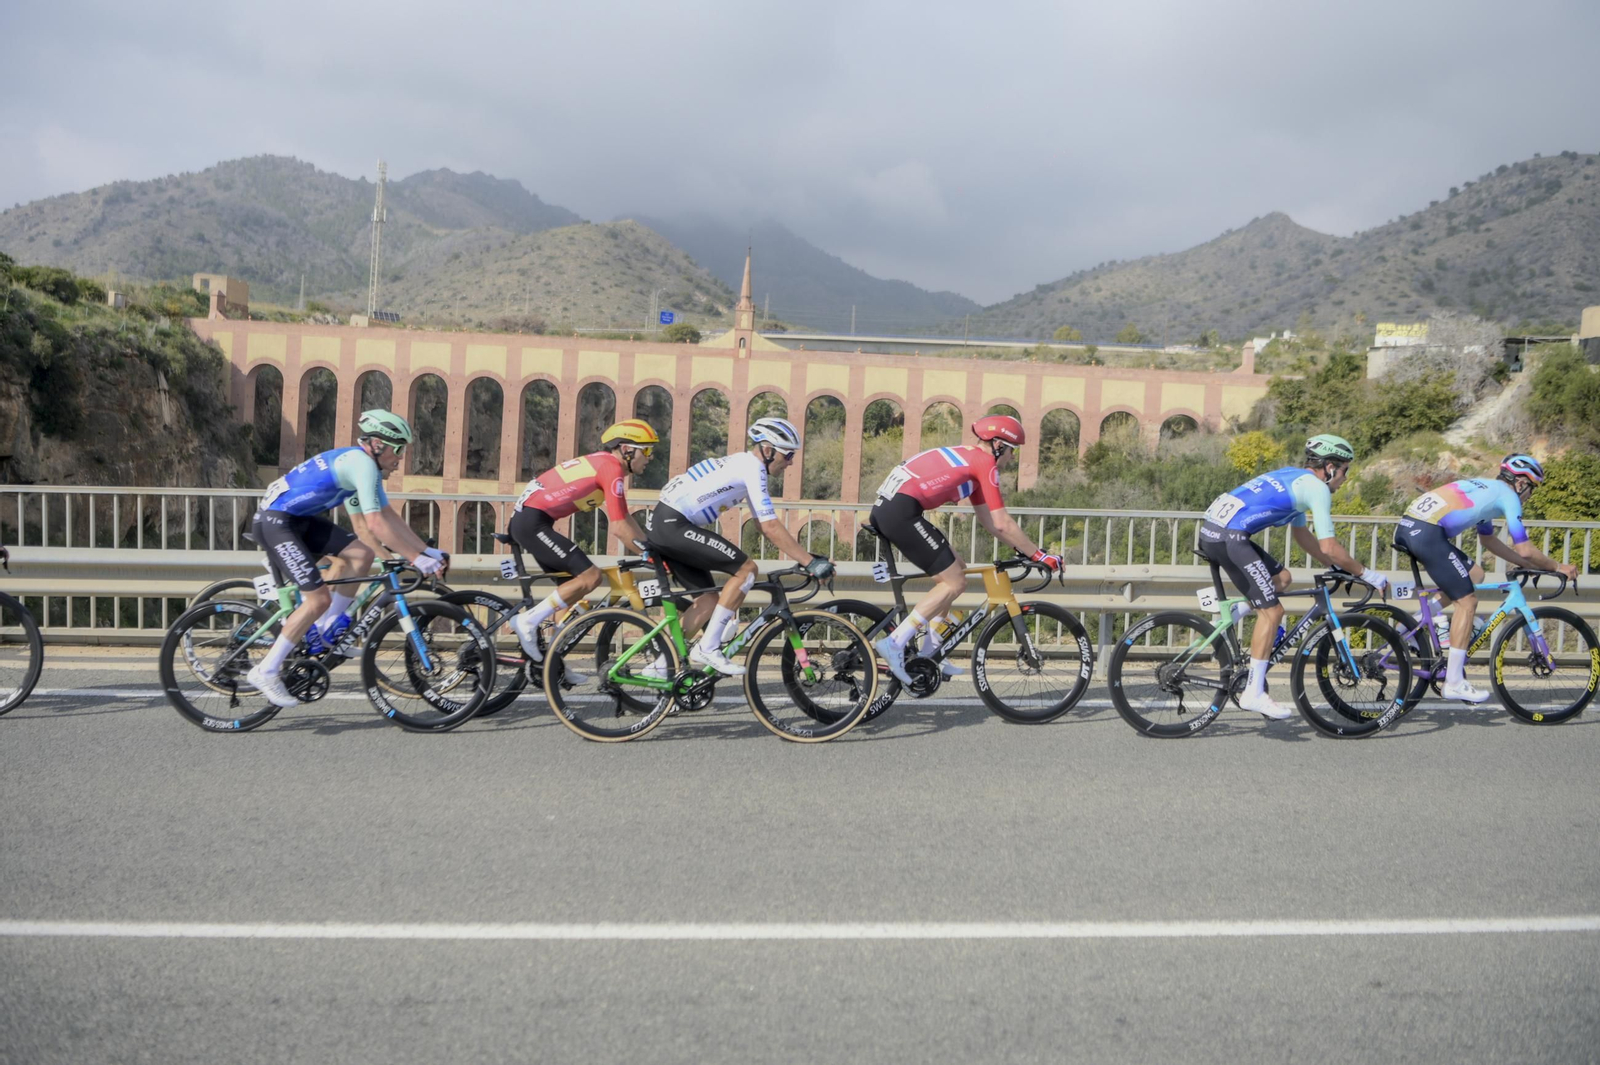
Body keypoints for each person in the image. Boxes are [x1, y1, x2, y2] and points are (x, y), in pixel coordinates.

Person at [246, 410, 446, 707]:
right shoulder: (362, 464)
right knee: (318, 600)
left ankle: (327, 632)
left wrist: (426, 552)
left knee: (361, 554)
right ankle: (266, 670)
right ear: (377, 445)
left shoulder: (366, 465)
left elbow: (388, 515)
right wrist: (416, 558)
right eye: (398, 449)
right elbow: (374, 524)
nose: (401, 457)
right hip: (276, 522)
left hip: (298, 520)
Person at [1197, 433, 1387, 720]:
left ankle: (1234, 614)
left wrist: (1333, 565)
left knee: (1283, 579)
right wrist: (1367, 574)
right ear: (1330, 467)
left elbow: (1302, 535)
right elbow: (1329, 545)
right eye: (1345, 470)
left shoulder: (1294, 476)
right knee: (1273, 612)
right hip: (1230, 538)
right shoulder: (1317, 489)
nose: (1345, 478)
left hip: (1217, 533)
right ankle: (1253, 693)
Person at [866, 414, 1062, 686]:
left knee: (957, 569)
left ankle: (930, 651)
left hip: (895, 510)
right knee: (955, 582)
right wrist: (1040, 556)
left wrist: (1022, 549)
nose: (1012, 458)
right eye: (1012, 450)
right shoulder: (984, 463)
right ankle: (895, 642)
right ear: (998, 445)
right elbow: (1003, 522)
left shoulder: (972, 461)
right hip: (900, 512)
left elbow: (990, 522)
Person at [646, 417, 834, 676]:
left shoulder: (744, 464)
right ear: (767, 450)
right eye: (788, 455)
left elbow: (762, 524)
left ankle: (660, 665)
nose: (790, 462)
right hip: (674, 525)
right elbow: (770, 526)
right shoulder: (752, 468)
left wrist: (806, 556)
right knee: (747, 570)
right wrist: (810, 563)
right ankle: (708, 648)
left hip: (666, 524)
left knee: (708, 600)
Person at [1394, 454, 1577, 703]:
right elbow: (1525, 548)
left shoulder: (1487, 489)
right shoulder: (1509, 497)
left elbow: (1488, 540)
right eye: (1531, 489)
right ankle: (1454, 683)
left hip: (1412, 527)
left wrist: (1525, 564)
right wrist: (1557, 566)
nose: (1529, 496)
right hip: (1426, 533)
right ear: (1521, 483)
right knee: (1467, 602)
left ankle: (1409, 627)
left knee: (1475, 574)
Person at [507, 419, 658, 662]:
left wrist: (650, 547)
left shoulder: (607, 463)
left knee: (570, 593)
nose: (650, 457)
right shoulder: (611, 468)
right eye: (647, 450)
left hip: (532, 519)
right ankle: (528, 621)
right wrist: (650, 554)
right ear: (627, 450)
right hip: (532, 522)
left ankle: (553, 665)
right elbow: (619, 527)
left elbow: (625, 518)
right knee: (591, 576)